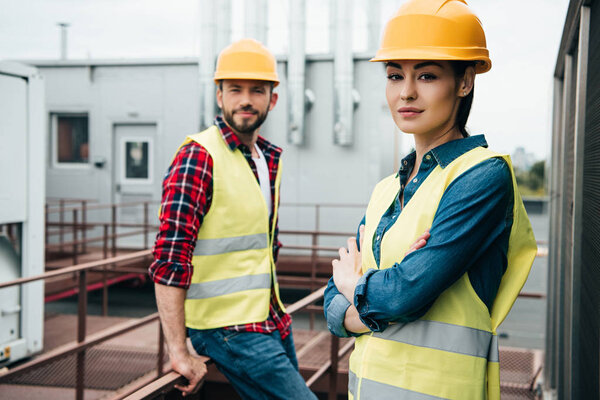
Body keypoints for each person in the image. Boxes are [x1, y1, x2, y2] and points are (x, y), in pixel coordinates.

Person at [323, 0, 537, 399]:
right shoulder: (386, 190)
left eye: (426, 75)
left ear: (464, 82)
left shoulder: (483, 176)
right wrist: (373, 294)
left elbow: (403, 294)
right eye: (394, 75)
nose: (406, 92)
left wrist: (363, 287)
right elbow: (332, 301)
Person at [150, 38, 317, 399]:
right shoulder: (198, 157)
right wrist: (179, 350)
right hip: (226, 328)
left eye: (257, 90)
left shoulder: (267, 159)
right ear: (219, 95)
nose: (246, 100)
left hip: (270, 319)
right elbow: (169, 257)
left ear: (272, 99)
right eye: (235, 89)